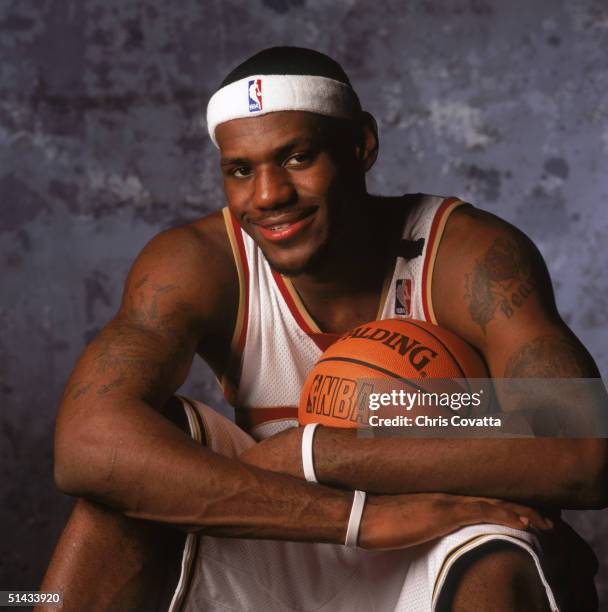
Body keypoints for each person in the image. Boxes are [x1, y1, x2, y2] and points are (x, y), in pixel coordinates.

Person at [39, 47, 606, 611]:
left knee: (499, 549)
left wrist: (321, 450)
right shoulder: (197, 262)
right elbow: (87, 447)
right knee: (121, 485)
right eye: (241, 170)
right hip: (277, 539)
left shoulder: (467, 256)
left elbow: (583, 447)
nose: (268, 196)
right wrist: (362, 515)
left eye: (297, 158)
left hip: (435, 543)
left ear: (362, 145)